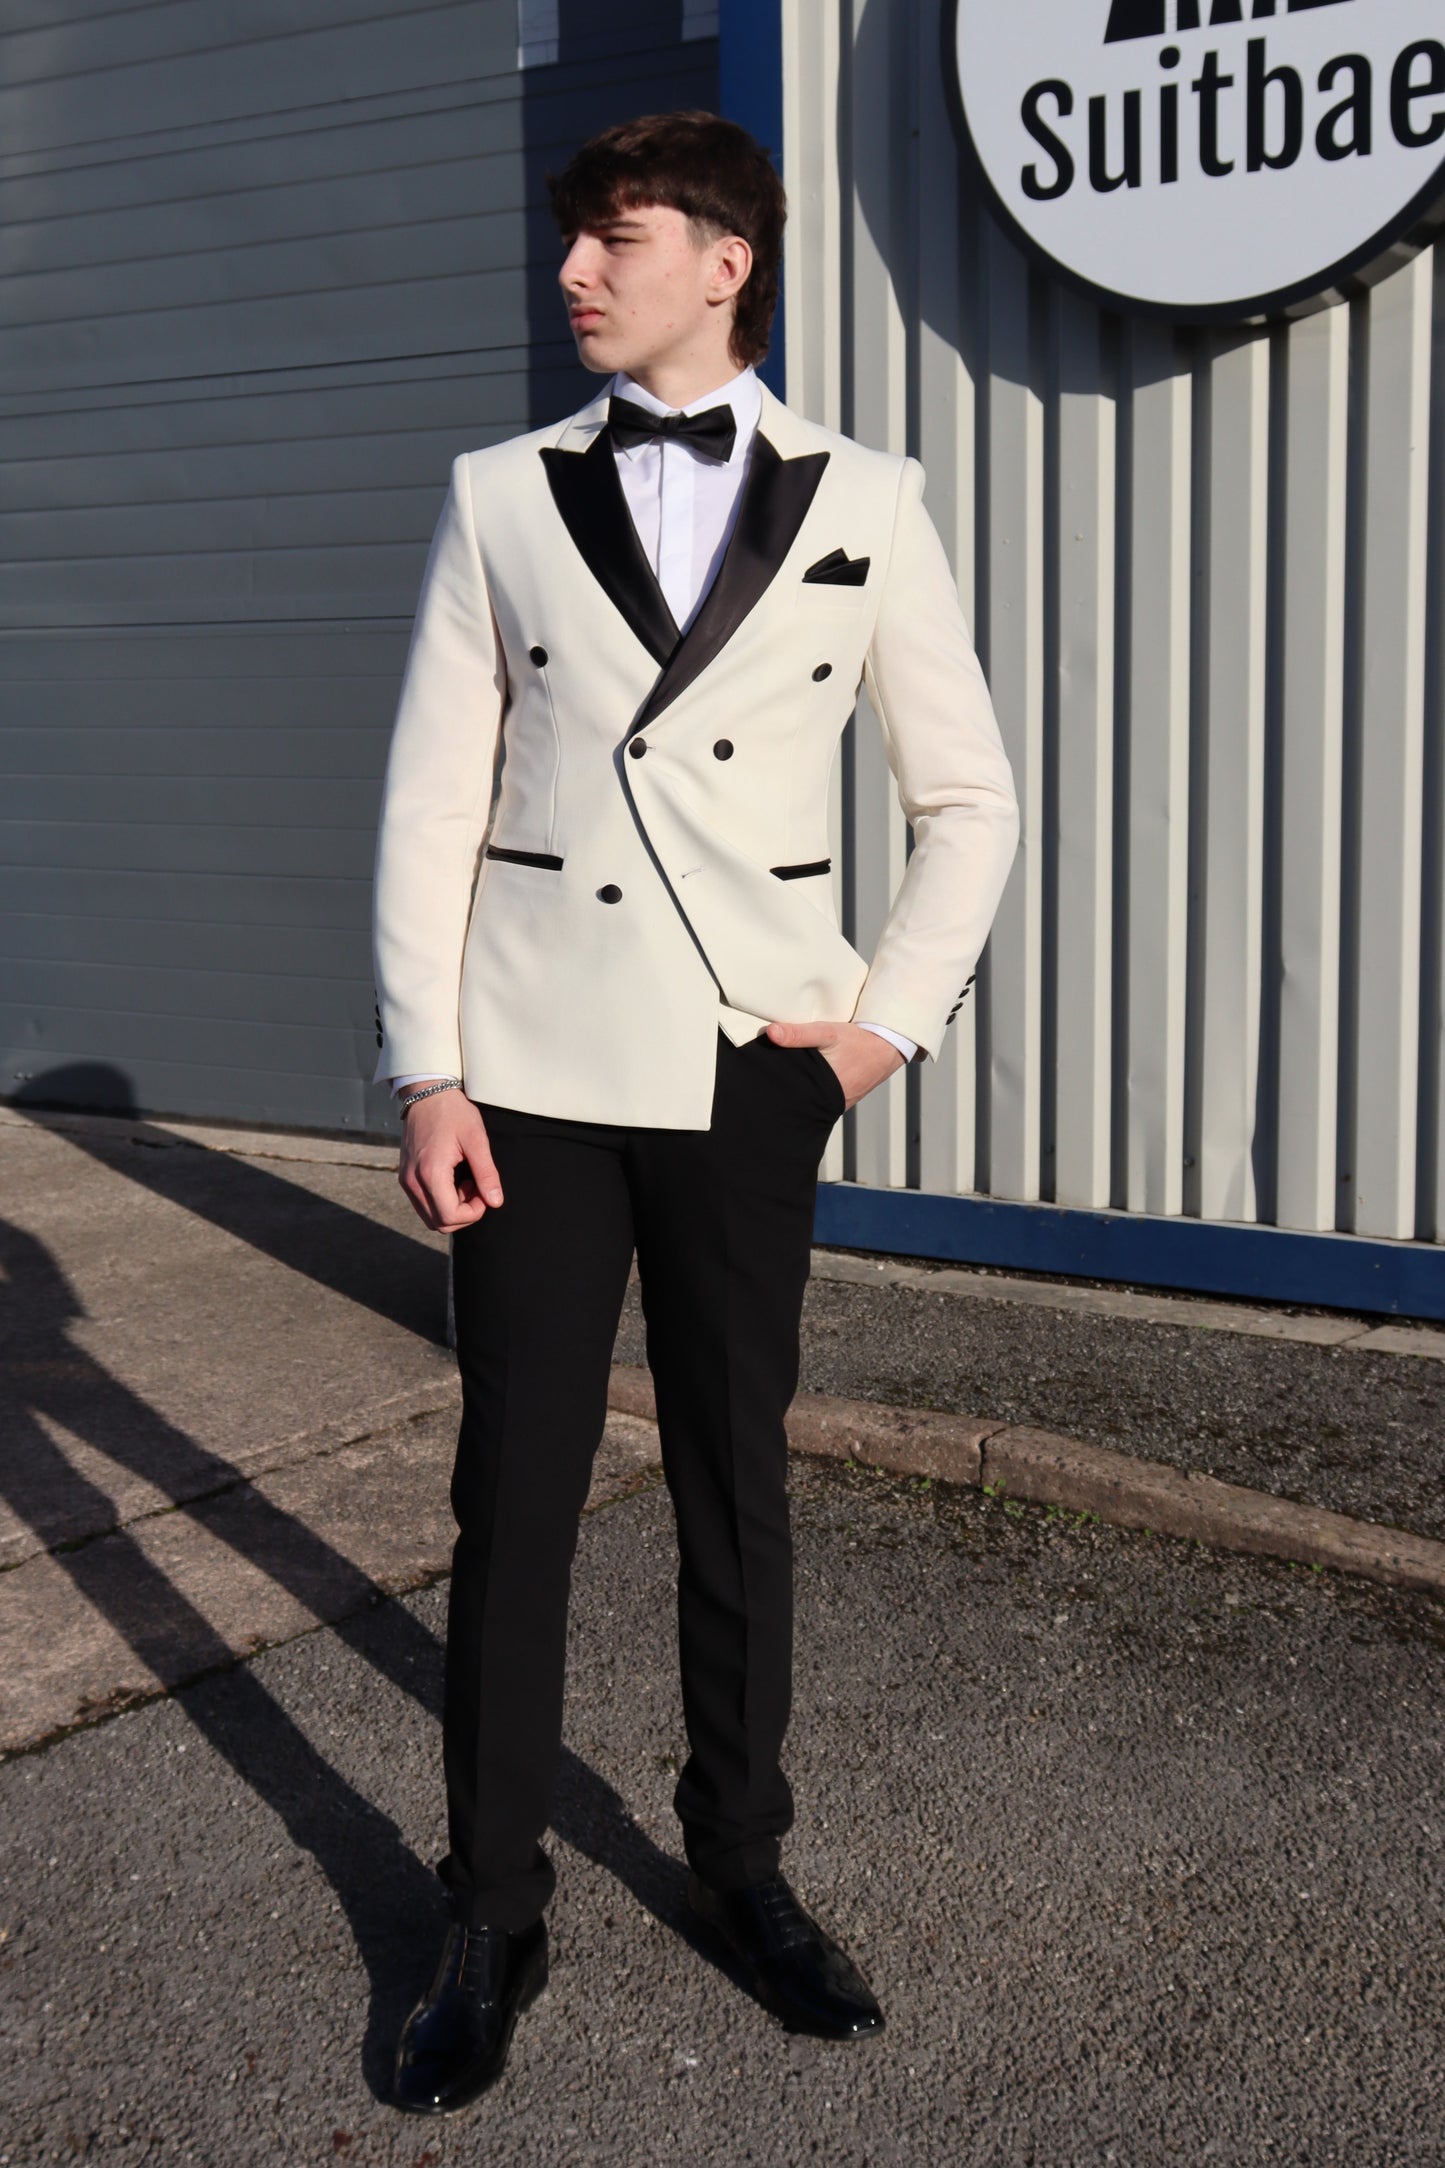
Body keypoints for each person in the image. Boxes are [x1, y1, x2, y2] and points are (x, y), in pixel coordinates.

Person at [371, 108, 1019, 2116]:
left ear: (725, 258)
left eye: (613, 242)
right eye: (570, 245)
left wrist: (873, 1035)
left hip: (756, 1068)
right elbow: (427, 800)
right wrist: (429, 1063)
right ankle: (491, 1904)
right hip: (543, 1073)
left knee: (740, 1478)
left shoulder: (872, 497)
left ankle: (741, 1859)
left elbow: (969, 802)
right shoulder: (499, 497)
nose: (573, 274)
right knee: (518, 1496)